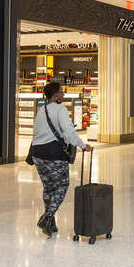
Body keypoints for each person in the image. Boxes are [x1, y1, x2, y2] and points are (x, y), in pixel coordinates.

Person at [31, 81, 92, 237]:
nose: (63, 95)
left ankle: (51, 225)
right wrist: (82, 145)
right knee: (63, 184)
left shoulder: (41, 110)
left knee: (48, 187)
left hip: (37, 153)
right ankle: (47, 216)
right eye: (61, 92)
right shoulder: (60, 109)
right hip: (54, 153)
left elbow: (37, 131)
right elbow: (69, 132)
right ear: (55, 95)